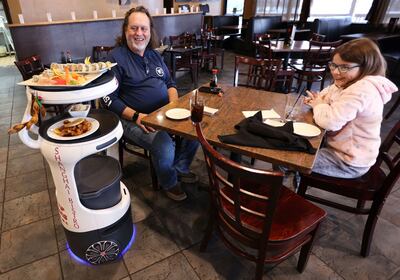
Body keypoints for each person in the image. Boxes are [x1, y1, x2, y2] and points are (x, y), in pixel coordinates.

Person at [103, 6, 199, 201]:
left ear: (150, 31)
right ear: (125, 30)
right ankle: (169, 182)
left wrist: (173, 106)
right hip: (132, 119)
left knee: (195, 126)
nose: (139, 33)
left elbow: (170, 83)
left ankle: (179, 168)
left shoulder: (154, 55)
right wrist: (138, 117)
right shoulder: (115, 58)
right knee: (164, 144)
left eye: (144, 28)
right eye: (134, 28)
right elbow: (108, 99)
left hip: (163, 114)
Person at [305, 38, 398, 178]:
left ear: (365, 66)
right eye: (333, 65)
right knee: (295, 146)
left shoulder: (362, 89)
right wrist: (319, 100)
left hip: (348, 161)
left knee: (287, 158)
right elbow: (327, 93)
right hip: (347, 153)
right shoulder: (350, 81)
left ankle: (285, 196)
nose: (336, 72)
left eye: (344, 67)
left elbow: (330, 122)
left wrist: (319, 104)